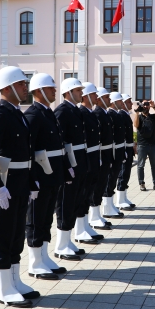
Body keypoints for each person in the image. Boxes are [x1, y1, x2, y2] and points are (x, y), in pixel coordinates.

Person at [0, 66, 38, 306]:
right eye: (21, 84)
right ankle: (4, 287)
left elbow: (27, 153)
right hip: (6, 184)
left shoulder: (18, 113)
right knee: (3, 234)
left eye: (25, 84)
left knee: (16, 233)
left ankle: (15, 281)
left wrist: (31, 180)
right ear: (6, 88)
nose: (25, 87)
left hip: (20, 183)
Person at [24, 73, 71, 279]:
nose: (54, 91)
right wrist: (32, 177)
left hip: (53, 174)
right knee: (36, 218)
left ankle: (43, 256)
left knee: (45, 218)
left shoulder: (48, 113)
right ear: (39, 91)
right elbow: (28, 150)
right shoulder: (33, 115)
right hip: (41, 175)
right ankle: (35, 261)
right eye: (50, 88)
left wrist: (65, 168)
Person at [53, 78, 88, 260]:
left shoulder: (74, 110)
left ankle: (67, 240)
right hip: (70, 164)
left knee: (75, 202)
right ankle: (60, 244)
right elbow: (60, 141)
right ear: (68, 92)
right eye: (78, 90)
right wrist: (66, 166)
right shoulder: (62, 111)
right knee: (65, 203)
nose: (81, 93)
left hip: (80, 162)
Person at [73, 82, 105, 243]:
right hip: (85, 159)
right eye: (93, 95)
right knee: (82, 194)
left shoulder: (90, 112)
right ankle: (80, 229)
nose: (96, 98)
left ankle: (85, 225)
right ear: (85, 96)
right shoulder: (81, 112)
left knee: (87, 193)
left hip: (92, 157)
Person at [89, 87, 115, 230]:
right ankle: (93, 216)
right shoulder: (97, 113)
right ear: (98, 100)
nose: (109, 100)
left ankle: (96, 214)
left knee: (101, 185)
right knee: (97, 186)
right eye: (106, 97)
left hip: (105, 153)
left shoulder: (103, 113)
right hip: (100, 154)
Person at [102, 92, 127, 218]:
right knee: (110, 179)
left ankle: (110, 204)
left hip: (117, 149)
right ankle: (106, 207)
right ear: (114, 102)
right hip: (112, 150)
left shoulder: (114, 114)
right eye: (120, 101)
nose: (122, 103)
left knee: (113, 178)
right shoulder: (110, 114)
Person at [134, 99, 155, 191]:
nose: (146, 106)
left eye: (147, 104)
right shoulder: (139, 116)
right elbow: (136, 125)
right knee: (141, 165)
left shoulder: (153, 117)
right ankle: (142, 183)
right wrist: (137, 113)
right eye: (144, 104)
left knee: (154, 165)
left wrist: (154, 106)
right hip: (142, 145)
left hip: (153, 145)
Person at [116, 94, 138, 207]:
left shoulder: (125, 114)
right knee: (123, 173)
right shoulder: (121, 115)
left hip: (128, 147)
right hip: (124, 148)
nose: (131, 104)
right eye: (129, 102)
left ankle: (124, 197)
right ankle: (120, 200)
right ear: (123, 103)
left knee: (127, 173)